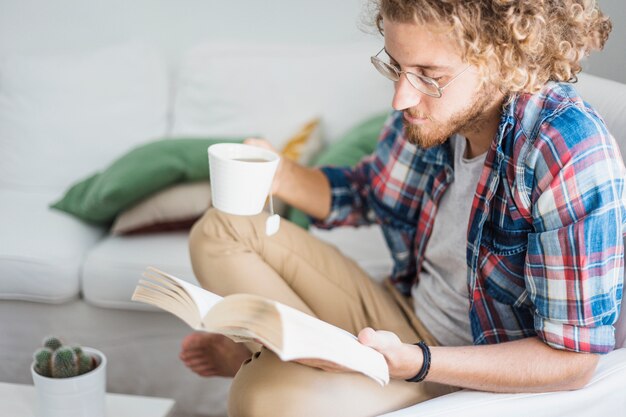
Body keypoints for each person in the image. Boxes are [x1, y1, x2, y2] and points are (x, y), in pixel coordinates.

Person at [180, 1, 624, 416]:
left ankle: (266, 353)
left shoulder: (566, 150)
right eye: (396, 66)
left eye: (428, 74)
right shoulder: (430, 113)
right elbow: (365, 193)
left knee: (258, 394)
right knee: (220, 230)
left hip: (463, 368)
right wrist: (281, 175)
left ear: (504, 59)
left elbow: (573, 362)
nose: (401, 98)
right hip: (399, 316)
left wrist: (413, 362)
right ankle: (281, 349)